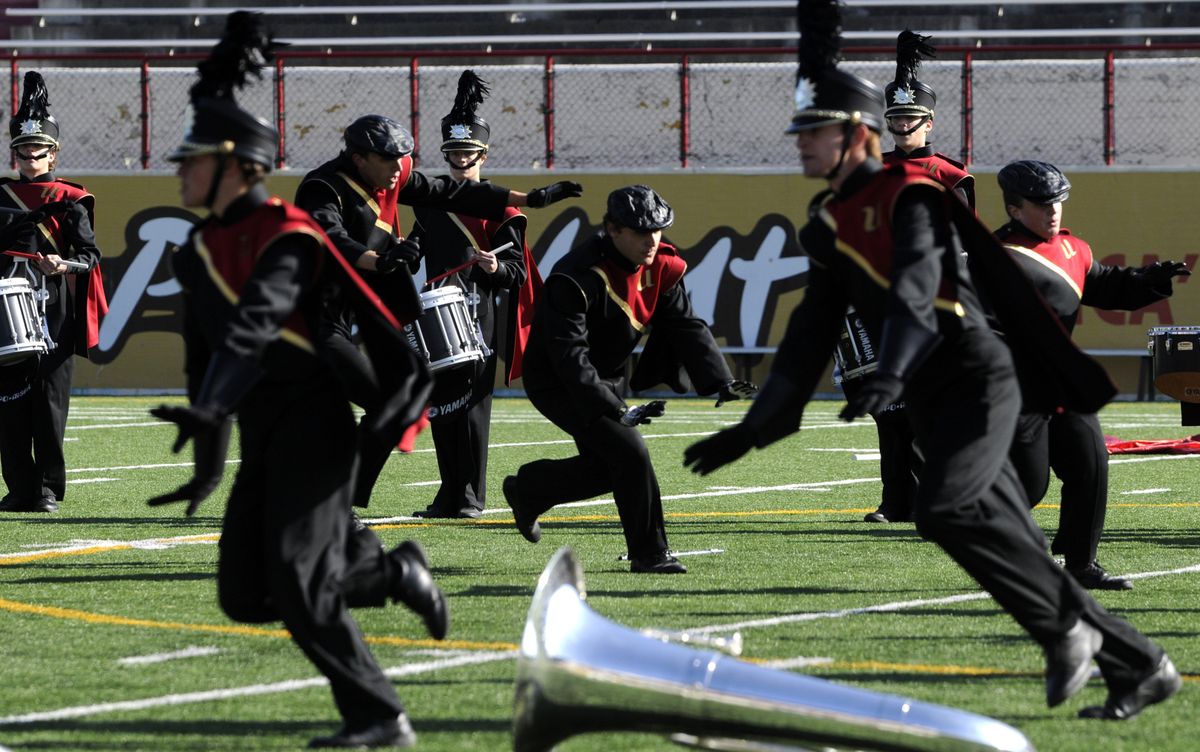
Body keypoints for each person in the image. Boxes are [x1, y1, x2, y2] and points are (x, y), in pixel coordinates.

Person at [683, 0, 1179, 720]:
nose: (800, 144)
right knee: (978, 525)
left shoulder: (910, 193)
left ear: (855, 135)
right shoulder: (829, 224)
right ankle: (1137, 663)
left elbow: (919, 285)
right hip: (931, 393)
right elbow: (808, 336)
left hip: (980, 377)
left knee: (946, 509)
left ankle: (1066, 633)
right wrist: (755, 428)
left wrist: (887, 371)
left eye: (812, 131)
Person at [148, 13, 447, 748]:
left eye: (193, 158)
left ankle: (379, 717)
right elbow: (206, 355)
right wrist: (207, 459)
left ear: (238, 165)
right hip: (262, 428)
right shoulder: (195, 250)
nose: (178, 170)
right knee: (246, 595)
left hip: (316, 426)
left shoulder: (285, 232)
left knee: (299, 582)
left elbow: (256, 323)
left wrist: (214, 402)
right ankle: (389, 572)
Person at [295, 108, 579, 519]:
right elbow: (330, 238)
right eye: (389, 160)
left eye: (403, 160)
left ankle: (341, 497)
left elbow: (452, 193)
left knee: (407, 400)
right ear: (360, 159)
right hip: (318, 308)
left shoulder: (395, 175)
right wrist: (385, 259)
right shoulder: (323, 187)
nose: (400, 170)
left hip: (398, 307)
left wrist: (525, 199)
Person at [503, 184, 756, 574]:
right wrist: (617, 409)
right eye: (640, 231)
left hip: (607, 377)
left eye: (657, 229)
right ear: (612, 229)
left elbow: (685, 325)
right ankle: (650, 554)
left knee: (611, 467)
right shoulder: (574, 276)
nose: (651, 240)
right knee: (631, 454)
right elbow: (569, 357)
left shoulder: (662, 265)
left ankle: (530, 489)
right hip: (558, 379)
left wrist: (720, 380)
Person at [996, 159, 1190, 591]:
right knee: (1029, 485)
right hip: (1014, 387)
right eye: (1042, 203)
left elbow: (1105, 286)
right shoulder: (995, 258)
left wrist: (1150, 279)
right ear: (1014, 209)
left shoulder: (1073, 249)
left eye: (1059, 201)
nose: (1053, 211)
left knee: (1091, 463)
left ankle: (1081, 565)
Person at [407, 70, 541, 519]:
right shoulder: (430, 200)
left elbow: (518, 272)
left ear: (483, 154)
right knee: (441, 407)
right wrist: (399, 252)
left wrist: (495, 266)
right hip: (433, 313)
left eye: (467, 152)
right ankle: (449, 494)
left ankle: (470, 497)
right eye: (453, 153)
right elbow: (417, 249)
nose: (460, 159)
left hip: (476, 315)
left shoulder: (503, 208)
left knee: (471, 410)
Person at [0, 71, 106, 514]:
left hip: (53, 305)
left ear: (53, 153)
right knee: (8, 403)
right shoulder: (0, 194)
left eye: (37, 150)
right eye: (22, 150)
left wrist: (63, 263)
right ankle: (19, 488)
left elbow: (91, 256)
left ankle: (45, 489)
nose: (28, 157)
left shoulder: (73, 199)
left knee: (48, 399)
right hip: (5, 302)